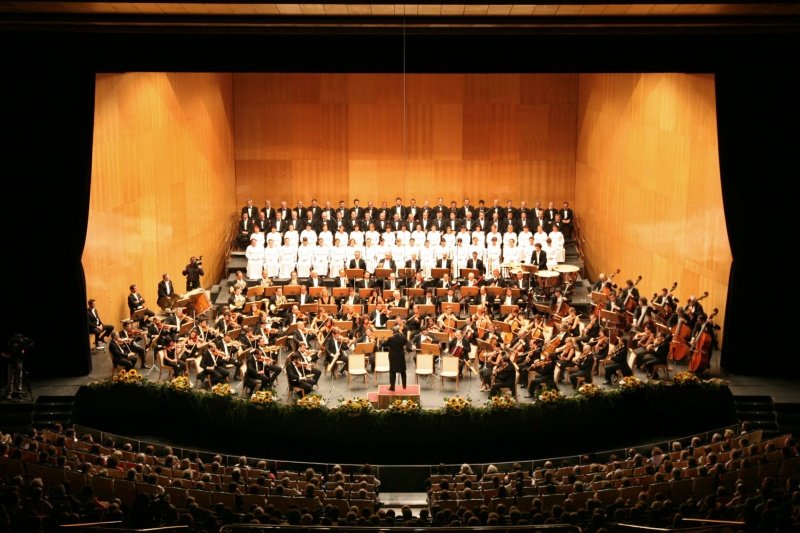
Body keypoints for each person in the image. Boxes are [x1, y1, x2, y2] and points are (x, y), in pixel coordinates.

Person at [386, 326, 409, 391]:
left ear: (392, 332)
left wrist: (382, 342)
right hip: (401, 356)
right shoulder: (403, 338)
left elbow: (384, 344)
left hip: (393, 357)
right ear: (399, 331)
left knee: (392, 372)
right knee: (403, 371)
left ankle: (392, 387)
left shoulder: (390, 339)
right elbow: (407, 343)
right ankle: (404, 386)